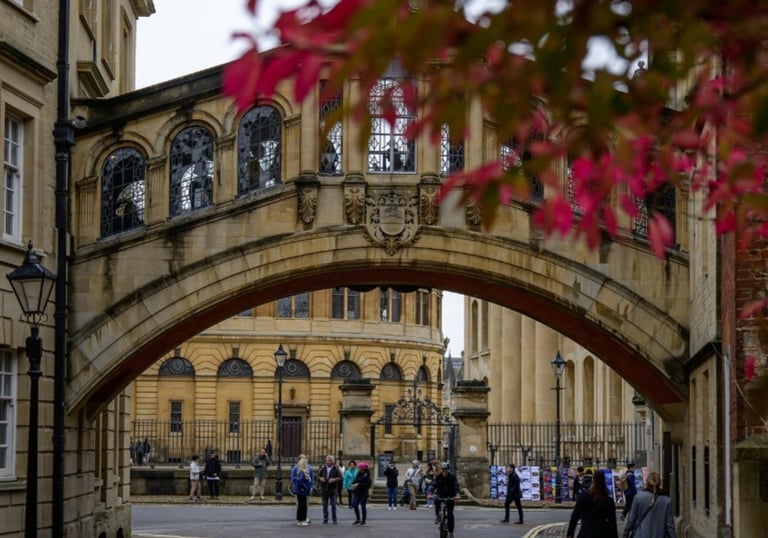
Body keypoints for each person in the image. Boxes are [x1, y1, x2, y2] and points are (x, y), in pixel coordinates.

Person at [622, 472, 677, 538]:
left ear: (647, 483)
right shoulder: (667, 500)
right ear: (659, 483)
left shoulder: (638, 498)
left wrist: (625, 534)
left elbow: (631, 520)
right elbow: (670, 525)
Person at [566, 469, 618, 538]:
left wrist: (570, 533)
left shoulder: (583, 496)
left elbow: (575, 516)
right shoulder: (608, 500)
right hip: (602, 533)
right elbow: (612, 523)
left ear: (593, 480)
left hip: (586, 532)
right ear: (604, 481)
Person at [430, 462, 461, 538]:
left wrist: (457, 494)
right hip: (441, 495)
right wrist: (430, 493)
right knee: (436, 500)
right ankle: (437, 515)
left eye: (446, 470)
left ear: (448, 470)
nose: (444, 472)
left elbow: (456, 486)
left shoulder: (452, 477)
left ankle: (451, 532)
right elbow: (434, 485)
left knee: (450, 514)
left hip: (450, 496)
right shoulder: (438, 477)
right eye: (443, 470)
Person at [290, 455, 314, 526]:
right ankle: (301, 519)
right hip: (301, 490)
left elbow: (311, 478)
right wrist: (303, 487)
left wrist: (310, 486)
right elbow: (296, 480)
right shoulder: (297, 469)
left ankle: (303, 518)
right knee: (301, 505)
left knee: (304, 505)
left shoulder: (309, 468)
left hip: (305, 490)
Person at [318, 454, 342, 524]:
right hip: (324, 489)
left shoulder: (336, 469)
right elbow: (317, 476)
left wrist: (334, 479)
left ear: (332, 461)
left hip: (332, 490)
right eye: (326, 460)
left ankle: (334, 519)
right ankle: (325, 519)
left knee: (333, 506)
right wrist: (320, 478)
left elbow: (341, 478)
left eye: (329, 460)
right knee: (324, 506)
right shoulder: (323, 469)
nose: (327, 462)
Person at [350, 460, 372, 526]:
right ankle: (358, 519)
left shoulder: (367, 475)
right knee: (355, 505)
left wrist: (358, 484)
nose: (358, 468)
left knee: (363, 506)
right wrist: (353, 484)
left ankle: (364, 520)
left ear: (362, 468)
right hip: (357, 492)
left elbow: (368, 484)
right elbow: (355, 480)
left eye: (359, 467)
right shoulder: (358, 473)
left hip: (364, 493)